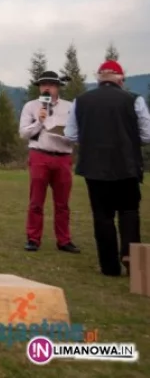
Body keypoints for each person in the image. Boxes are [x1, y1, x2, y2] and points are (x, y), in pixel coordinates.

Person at [64, 59, 150, 277]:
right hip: (127, 164)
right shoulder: (134, 100)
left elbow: (71, 135)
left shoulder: (80, 101)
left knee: (102, 216)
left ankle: (109, 267)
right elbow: (147, 135)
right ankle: (132, 261)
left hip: (94, 167)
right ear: (121, 79)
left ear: (99, 79)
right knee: (129, 212)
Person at [17, 71, 80, 253]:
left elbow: (77, 132)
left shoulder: (69, 107)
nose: (46, 87)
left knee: (62, 203)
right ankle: (33, 238)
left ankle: (64, 240)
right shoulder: (31, 106)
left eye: (51, 84)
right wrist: (39, 121)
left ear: (57, 87)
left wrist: (68, 134)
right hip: (39, 155)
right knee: (36, 201)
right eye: (43, 84)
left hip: (63, 156)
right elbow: (23, 133)